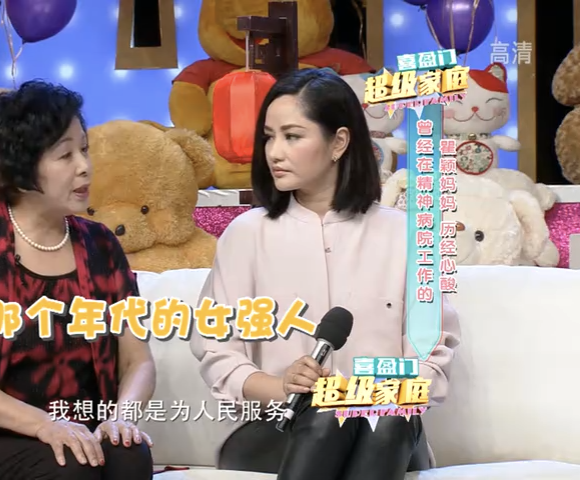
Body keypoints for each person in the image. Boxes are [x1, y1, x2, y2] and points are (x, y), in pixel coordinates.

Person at [189, 69, 461, 480]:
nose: (274, 152)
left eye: (292, 136)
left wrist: (363, 394)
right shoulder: (246, 235)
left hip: (387, 429)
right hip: (279, 431)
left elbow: (432, 359)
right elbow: (218, 355)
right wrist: (283, 385)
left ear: (339, 142)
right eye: (269, 137)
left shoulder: (406, 236)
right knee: (324, 415)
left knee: (384, 418)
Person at [0, 81, 156, 480]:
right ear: (20, 169)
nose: (84, 166)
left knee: (128, 454)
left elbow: (137, 360)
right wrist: (44, 425)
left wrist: (122, 418)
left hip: (76, 427)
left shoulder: (101, 245)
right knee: (69, 467)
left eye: (84, 149)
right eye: (65, 155)